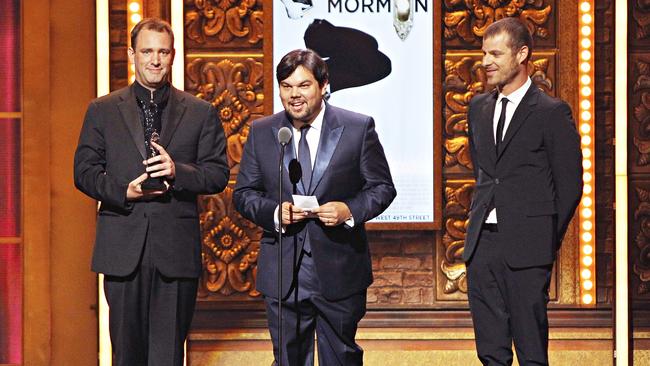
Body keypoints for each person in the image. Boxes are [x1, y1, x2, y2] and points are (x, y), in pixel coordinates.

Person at [73, 18, 229, 366]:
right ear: (132, 54)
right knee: (126, 356)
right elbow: (83, 172)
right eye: (147, 51)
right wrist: (123, 191)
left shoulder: (200, 112)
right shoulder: (102, 110)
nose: (155, 60)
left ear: (173, 56)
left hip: (174, 252)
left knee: (168, 356)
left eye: (162, 52)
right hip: (122, 250)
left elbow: (218, 174)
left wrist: (179, 172)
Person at [233, 49, 396, 366]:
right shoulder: (263, 132)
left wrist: (348, 210)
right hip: (283, 272)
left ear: (323, 86)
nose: (294, 95)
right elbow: (244, 194)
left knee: (341, 359)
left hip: (339, 270)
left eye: (303, 85)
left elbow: (382, 188)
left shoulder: (357, 128)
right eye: (286, 86)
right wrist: (275, 213)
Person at [464, 17, 583, 365]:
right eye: (484, 53)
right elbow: (484, 172)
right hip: (481, 245)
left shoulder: (551, 112)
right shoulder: (477, 108)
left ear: (522, 54)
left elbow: (570, 186)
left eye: (495, 54)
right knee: (490, 351)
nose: (486, 61)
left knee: (531, 352)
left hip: (528, 247)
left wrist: (544, 235)